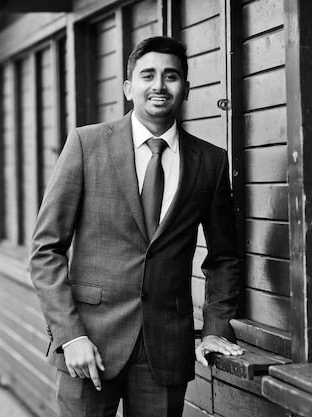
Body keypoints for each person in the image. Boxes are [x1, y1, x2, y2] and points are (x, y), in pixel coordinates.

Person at [30, 36, 243, 417]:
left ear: (187, 88)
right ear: (130, 88)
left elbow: (224, 257)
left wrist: (215, 327)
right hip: (88, 343)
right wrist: (70, 334)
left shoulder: (211, 162)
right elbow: (46, 249)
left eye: (171, 76)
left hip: (164, 351)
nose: (159, 85)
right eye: (148, 75)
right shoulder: (86, 144)